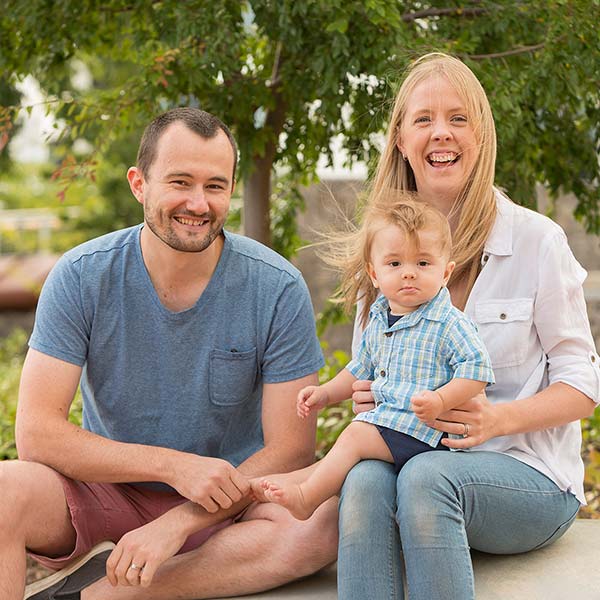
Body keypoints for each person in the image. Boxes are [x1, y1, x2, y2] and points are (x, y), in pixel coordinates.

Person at [3, 107, 338, 600]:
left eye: (215, 186)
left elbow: (290, 449)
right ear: (140, 184)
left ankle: (97, 596)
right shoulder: (81, 276)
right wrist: (172, 466)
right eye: (180, 182)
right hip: (109, 495)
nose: (198, 204)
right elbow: (36, 434)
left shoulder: (276, 287)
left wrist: (178, 523)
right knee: (4, 491)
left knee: (323, 522)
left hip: (229, 506)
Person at [337, 52, 600, 600]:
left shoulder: (536, 240)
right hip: (416, 462)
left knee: (428, 480)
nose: (442, 134)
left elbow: (584, 384)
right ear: (400, 140)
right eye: (424, 120)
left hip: (530, 477)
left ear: (481, 138)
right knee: (362, 481)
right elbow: (372, 375)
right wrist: (367, 391)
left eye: (459, 119)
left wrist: (497, 419)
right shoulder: (380, 255)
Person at [252, 196, 494, 520]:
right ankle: (301, 488)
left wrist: (441, 399)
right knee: (359, 445)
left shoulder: (450, 323)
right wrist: (326, 394)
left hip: (428, 432)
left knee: (355, 436)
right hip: (395, 425)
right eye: (395, 264)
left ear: (446, 272)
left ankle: (307, 497)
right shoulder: (378, 320)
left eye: (423, 264)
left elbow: (477, 369)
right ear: (375, 274)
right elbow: (359, 369)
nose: (409, 274)